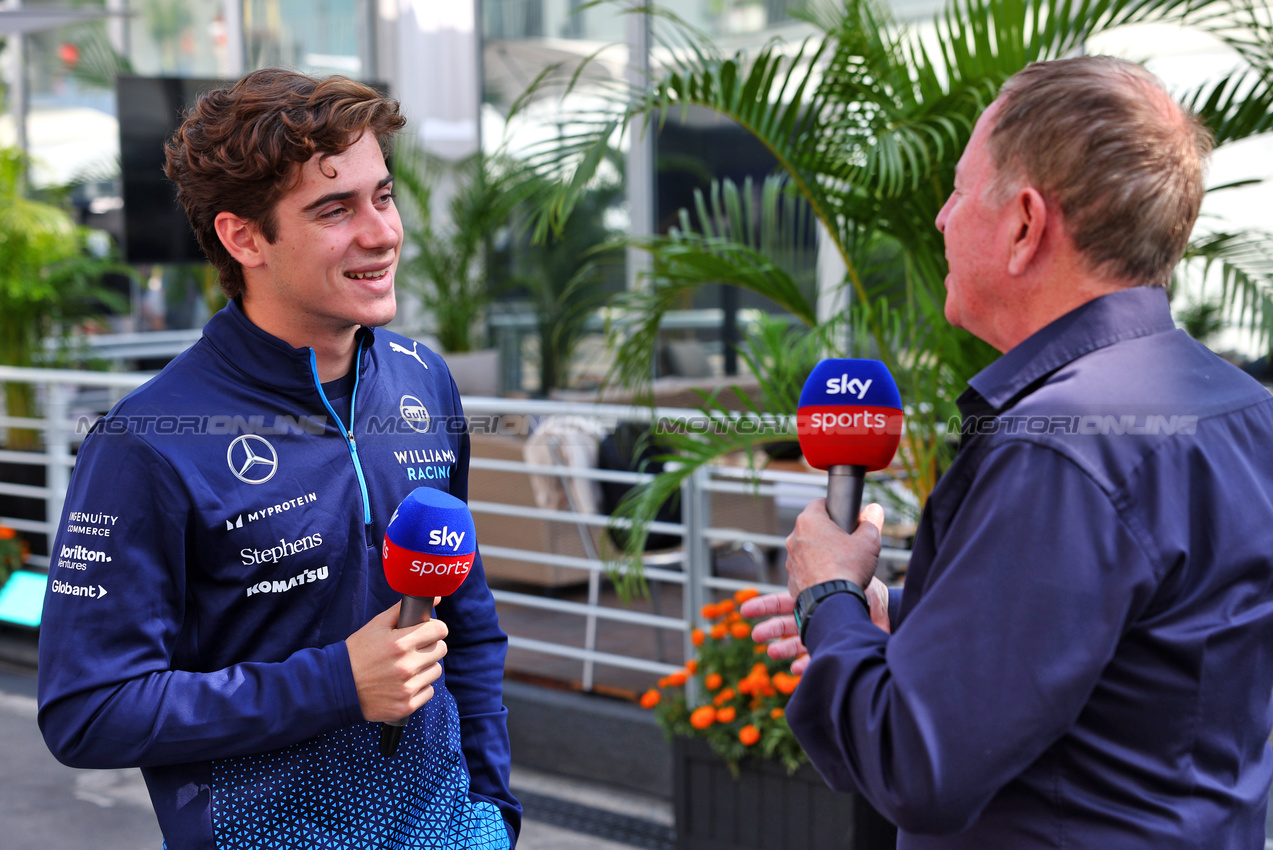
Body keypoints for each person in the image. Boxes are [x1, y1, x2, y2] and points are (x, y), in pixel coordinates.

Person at [743, 56, 1273, 848]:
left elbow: (915, 768)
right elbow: (1139, 694)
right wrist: (899, 641)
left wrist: (826, 591)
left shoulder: (1058, 450)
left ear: (1024, 223)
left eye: (958, 191)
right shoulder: (1239, 407)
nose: (941, 219)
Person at [37, 69, 520, 849]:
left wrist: (493, 812)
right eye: (335, 209)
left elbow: (466, 618)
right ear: (242, 237)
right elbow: (86, 712)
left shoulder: (421, 379)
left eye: (383, 196)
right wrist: (335, 682)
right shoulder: (146, 441)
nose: (382, 233)